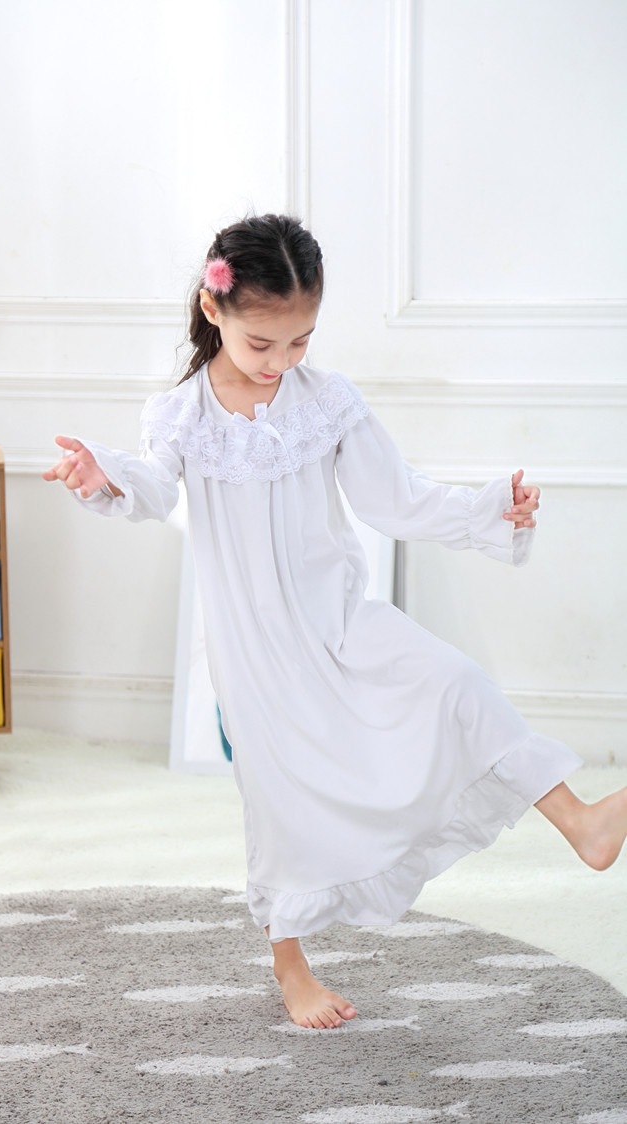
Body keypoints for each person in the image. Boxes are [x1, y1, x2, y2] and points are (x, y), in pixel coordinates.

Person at [44, 214, 627, 1030]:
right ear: (213, 310)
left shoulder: (327, 403)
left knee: (455, 684)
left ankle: (581, 821)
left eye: (301, 341)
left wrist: (491, 508)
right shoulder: (182, 416)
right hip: (257, 649)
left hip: (339, 618)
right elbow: (150, 485)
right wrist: (99, 473)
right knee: (280, 801)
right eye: (262, 343)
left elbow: (396, 498)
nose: (280, 361)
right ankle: (290, 965)